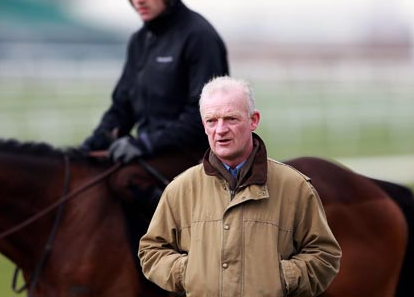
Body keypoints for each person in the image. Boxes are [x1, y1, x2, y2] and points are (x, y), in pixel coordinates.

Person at [138, 76, 341, 296]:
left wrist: (281, 278)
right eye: (211, 121)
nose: (220, 129)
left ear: (253, 120)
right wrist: (190, 273)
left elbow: (325, 255)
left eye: (231, 119)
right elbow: (151, 252)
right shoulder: (179, 189)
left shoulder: (295, 187)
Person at [81, 0, 229, 214]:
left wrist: (143, 144)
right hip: (152, 154)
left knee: (126, 180)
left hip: (195, 156)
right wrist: (86, 150)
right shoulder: (139, 41)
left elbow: (205, 118)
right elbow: (121, 109)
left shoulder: (199, 36)